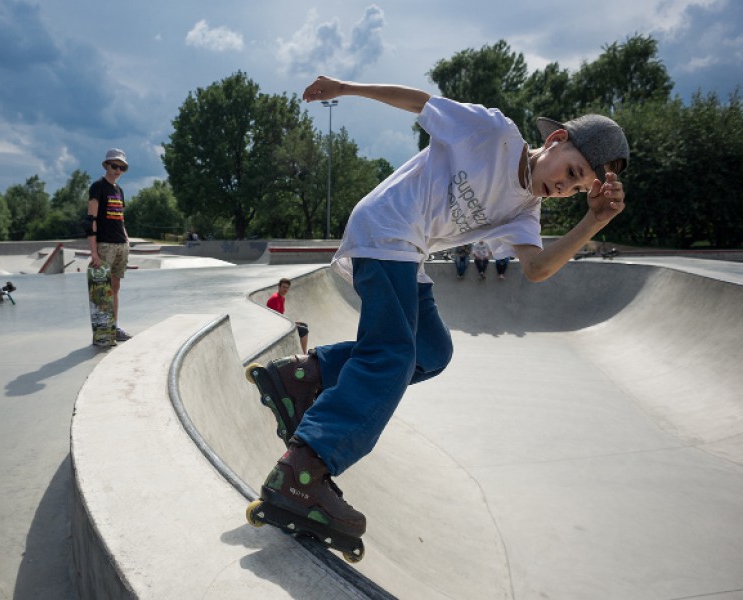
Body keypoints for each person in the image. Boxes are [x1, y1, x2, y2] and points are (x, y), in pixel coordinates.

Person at [252, 75, 628, 543]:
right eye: (570, 173)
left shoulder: (525, 211)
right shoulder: (493, 133)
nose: (563, 188)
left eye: (577, 190)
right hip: (386, 226)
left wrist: (593, 220)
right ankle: (303, 471)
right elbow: (419, 102)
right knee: (389, 354)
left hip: (409, 253)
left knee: (431, 350)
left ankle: (302, 378)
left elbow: (536, 268)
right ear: (555, 141)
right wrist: (345, 88)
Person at [84, 148, 132, 342]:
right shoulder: (98, 187)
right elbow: (90, 220)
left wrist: (126, 239)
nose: (117, 170)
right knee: (103, 289)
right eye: (114, 166)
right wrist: (94, 252)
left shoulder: (119, 190)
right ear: (106, 165)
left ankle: (114, 326)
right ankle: (103, 328)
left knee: (115, 286)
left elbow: (120, 218)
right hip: (105, 245)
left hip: (121, 244)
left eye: (121, 167)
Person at [267, 278, 310, 352]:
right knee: (304, 330)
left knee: (304, 324)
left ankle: (300, 349)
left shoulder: (282, 298)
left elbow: (281, 315)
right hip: (274, 325)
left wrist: (293, 322)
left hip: (280, 322)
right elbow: (276, 318)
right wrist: (291, 324)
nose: (285, 290)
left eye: (287, 288)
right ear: (279, 287)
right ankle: (304, 353)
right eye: (283, 287)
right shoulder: (275, 298)